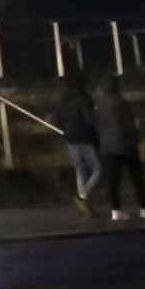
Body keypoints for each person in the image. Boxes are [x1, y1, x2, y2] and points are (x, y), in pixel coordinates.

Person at [92, 72, 145, 220]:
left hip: (107, 148)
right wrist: (136, 139)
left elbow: (96, 125)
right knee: (137, 178)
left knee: (113, 181)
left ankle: (116, 211)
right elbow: (129, 125)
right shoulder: (121, 102)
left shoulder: (98, 105)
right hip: (126, 146)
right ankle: (143, 208)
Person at [54, 73, 102, 210]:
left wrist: (66, 129)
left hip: (70, 140)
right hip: (85, 139)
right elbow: (90, 119)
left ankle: (84, 201)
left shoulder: (63, 100)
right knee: (98, 169)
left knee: (80, 170)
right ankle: (83, 196)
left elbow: (56, 120)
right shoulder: (84, 99)